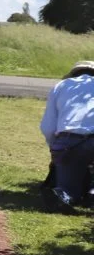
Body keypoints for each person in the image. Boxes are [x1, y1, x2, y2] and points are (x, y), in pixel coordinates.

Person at [40, 60, 94, 210]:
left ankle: (65, 195)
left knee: (67, 189)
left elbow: (48, 127)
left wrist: (54, 148)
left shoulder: (61, 86)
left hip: (69, 142)